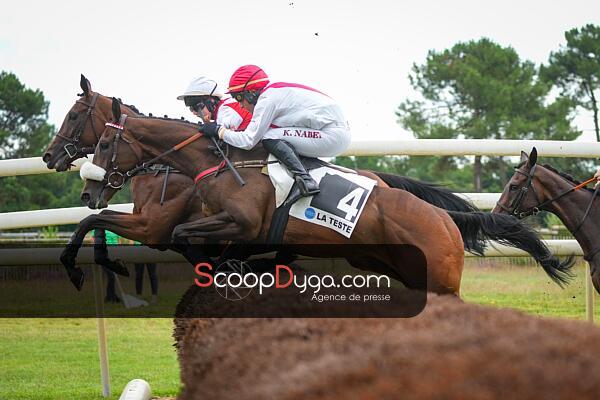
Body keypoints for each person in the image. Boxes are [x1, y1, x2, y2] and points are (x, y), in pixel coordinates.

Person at [200, 65, 352, 197]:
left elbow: (248, 141)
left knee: (268, 136)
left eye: (238, 97)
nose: (239, 104)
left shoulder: (267, 100)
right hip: (333, 131)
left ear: (251, 93)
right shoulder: (273, 92)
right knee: (272, 133)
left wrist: (219, 131)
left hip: (332, 135)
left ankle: (305, 179)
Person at [177, 76, 251, 131]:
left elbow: (223, 134)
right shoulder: (220, 112)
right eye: (191, 109)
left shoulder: (226, 109)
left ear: (211, 101)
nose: (194, 112)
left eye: (196, 107)